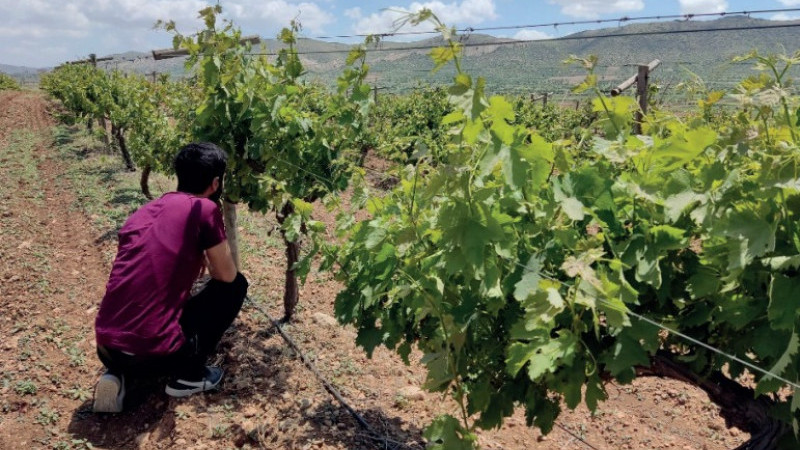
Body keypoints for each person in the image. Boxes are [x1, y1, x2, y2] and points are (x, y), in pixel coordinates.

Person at [92, 142, 248, 413]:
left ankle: (119, 375)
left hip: (106, 346)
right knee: (235, 287)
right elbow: (225, 275)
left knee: (145, 321)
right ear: (215, 182)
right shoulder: (204, 209)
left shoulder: (144, 212)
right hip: (154, 354)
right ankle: (189, 375)